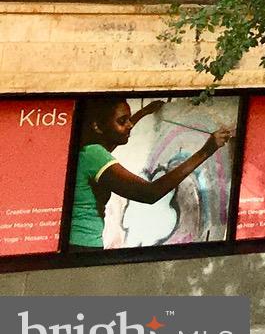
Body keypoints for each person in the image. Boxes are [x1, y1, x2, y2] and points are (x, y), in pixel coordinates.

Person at [70, 98, 232, 251]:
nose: (129, 125)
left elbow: (112, 136)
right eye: (122, 121)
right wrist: (207, 150)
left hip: (77, 242)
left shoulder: (85, 149)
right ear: (97, 127)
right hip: (83, 246)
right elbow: (149, 193)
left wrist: (144, 112)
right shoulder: (93, 155)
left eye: (129, 119)